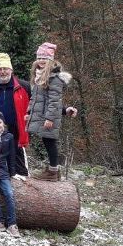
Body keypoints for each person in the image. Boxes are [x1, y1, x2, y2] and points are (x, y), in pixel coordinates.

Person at [25, 42, 73, 182]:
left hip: (48, 117)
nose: (41, 61)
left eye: (44, 58)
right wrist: (29, 112)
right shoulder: (39, 76)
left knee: (50, 142)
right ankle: (53, 169)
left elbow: (54, 101)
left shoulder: (54, 78)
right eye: (39, 58)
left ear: (50, 60)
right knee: (47, 141)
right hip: (42, 116)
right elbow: (35, 98)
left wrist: (50, 118)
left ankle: (53, 171)